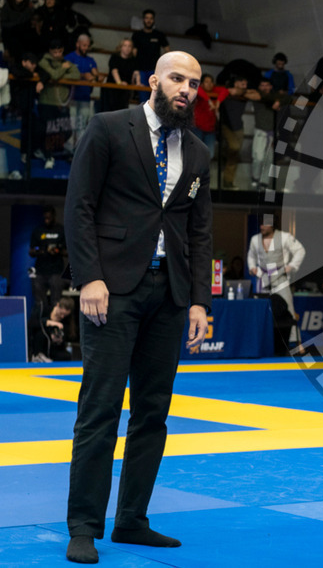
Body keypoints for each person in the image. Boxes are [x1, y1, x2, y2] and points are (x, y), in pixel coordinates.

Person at [63, 50, 211, 564]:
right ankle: (84, 524)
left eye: (193, 83)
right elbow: (79, 206)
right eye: (176, 78)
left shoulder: (197, 152)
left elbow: (199, 230)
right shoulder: (107, 129)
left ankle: (131, 520)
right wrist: (90, 279)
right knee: (99, 410)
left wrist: (198, 302)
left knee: (153, 414)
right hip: (113, 290)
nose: (185, 89)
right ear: (153, 81)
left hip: (168, 296)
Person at [247, 221, 306, 354]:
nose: (262, 227)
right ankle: (262, 341)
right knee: (262, 310)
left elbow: (300, 250)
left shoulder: (284, 237)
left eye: (265, 225)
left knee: (289, 310)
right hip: (263, 278)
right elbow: (251, 255)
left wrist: (292, 266)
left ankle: (297, 342)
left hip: (280, 278)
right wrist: (252, 267)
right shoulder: (255, 239)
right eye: (260, 224)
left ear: (272, 225)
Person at [37, 38, 79, 168]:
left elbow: (76, 75)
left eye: (60, 51)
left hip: (62, 103)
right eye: (55, 52)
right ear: (50, 51)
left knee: (67, 131)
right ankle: (49, 156)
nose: (57, 54)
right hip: (47, 102)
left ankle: (48, 151)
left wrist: (59, 74)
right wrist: (62, 69)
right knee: (48, 131)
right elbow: (53, 75)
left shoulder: (66, 62)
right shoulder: (44, 61)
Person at [64, 33, 102, 151]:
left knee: (81, 126)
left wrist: (95, 77)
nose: (85, 48)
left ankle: (78, 151)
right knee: (71, 125)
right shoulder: (69, 58)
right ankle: (69, 150)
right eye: (83, 45)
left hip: (85, 97)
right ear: (77, 44)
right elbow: (64, 73)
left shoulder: (90, 60)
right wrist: (83, 76)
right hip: (71, 98)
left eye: (87, 46)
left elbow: (97, 75)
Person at [29, 204, 67, 317]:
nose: (46, 221)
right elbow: (31, 252)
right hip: (40, 271)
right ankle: (41, 325)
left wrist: (57, 251)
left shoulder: (61, 230)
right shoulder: (38, 231)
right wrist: (41, 251)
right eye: (44, 218)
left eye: (49, 218)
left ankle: (55, 324)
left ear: (54, 216)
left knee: (56, 301)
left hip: (56, 271)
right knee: (40, 303)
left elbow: (68, 252)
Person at [251, 78, 288, 187]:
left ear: (271, 86)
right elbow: (248, 94)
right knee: (258, 158)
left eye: (267, 85)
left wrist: (279, 101)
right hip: (260, 131)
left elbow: (288, 97)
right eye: (262, 85)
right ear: (259, 87)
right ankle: (255, 177)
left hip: (272, 132)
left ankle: (264, 182)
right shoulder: (257, 97)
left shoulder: (276, 97)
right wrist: (276, 101)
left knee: (269, 159)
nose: (265, 87)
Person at [217, 76, 249, 189]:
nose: (245, 86)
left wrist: (241, 91)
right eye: (242, 84)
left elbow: (256, 94)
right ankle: (223, 156)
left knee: (234, 156)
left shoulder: (244, 95)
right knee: (234, 147)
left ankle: (228, 181)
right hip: (226, 125)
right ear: (235, 83)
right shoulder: (226, 93)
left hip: (239, 127)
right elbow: (218, 90)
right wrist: (228, 91)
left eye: (246, 84)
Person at [131, 9, 169, 103]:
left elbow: (167, 51)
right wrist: (135, 69)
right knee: (143, 100)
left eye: (151, 18)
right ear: (143, 20)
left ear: (154, 20)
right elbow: (134, 53)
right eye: (147, 18)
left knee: (155, 98)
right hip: (141, 70)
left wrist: (164, 66)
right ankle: (144, 117)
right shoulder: (137, 35)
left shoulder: (159, 35)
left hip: (155, 70)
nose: (149, 20)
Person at [30, 296, 76, 363]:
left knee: (66, 356)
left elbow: (68, 337)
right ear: (57, 305)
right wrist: (49, 322)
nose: (62, 316)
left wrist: (60, 339)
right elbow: (31, 324)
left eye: (65, 315)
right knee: (41, 334)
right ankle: (38, 357)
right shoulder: (44, 310)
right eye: (61, 313)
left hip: (54, 350)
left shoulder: (66, 321)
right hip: (40, 346)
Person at [193, 74, 226, 158]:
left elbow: (225, 91)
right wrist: (208, 100)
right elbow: (197, 88)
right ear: (202, 83)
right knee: (196, 153)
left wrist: (218, 101)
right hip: (197, 128)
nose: (209, 84)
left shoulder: (214, 91)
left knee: (209, 154)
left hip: (211, 129)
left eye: (211, 82)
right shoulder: (199, 92)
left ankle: (203, 171)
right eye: (206, 82)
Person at [100, 38, 137, 113]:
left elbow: (135, 73)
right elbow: (114, 71)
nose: (127, 48)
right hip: (112, 89)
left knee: (122, 111)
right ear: (121, 47)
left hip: (125, 90)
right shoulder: (115, 57)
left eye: (129, 46)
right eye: (125, 45)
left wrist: (138, 83)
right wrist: (119, 83)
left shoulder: (133, 60)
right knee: (109, 112)